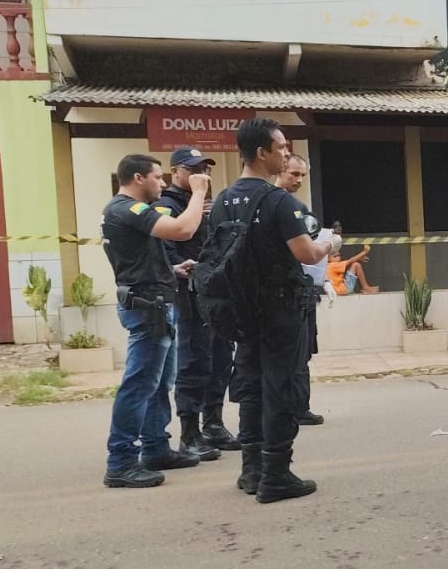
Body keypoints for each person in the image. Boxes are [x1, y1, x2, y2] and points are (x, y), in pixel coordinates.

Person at [212, 117, 328, 503]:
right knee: (280, 385)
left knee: (250, 386)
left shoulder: (223, 201)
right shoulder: (279, 201)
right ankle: (276, 475)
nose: (285, 153)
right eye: (280, 148)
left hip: (241, 309)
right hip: (280, 308)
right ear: (262, 153)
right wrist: (331, 245)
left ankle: (252, 471)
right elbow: (306, 253)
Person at [99, 153, 211, 488]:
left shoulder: (126, 211)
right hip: (148, 307)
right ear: (138, 178)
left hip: (157, 301)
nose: (162, 183)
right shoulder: (128, 209)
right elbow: (182, 229)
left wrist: (171, 269)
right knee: (139, 385)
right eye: (157, 177)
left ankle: (156, 448)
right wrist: (199, 192)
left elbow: (138, 259)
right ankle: (120, 463)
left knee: (159, 383)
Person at [161, 147, 239, 461]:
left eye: (204, 169)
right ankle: (189, 433)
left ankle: (214, 423)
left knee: (220, 358)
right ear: (175, 172)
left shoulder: (206, 204)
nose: (201, 175)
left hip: (215, 295)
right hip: (189, 295)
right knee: (194, 361)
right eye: (193, 170)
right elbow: (167, 251)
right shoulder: (167, 206)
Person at [275, 153, 334, 426]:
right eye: (294, 174)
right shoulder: (273, 204)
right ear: (280, 170)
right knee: (284, 356)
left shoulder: (299, 207)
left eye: (302, 175)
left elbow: (313, 245)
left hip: (305, 289)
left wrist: (324, 279)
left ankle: (299, 406)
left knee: (303, 353)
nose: (299, 180)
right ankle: (283, 409)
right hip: (279, 293)